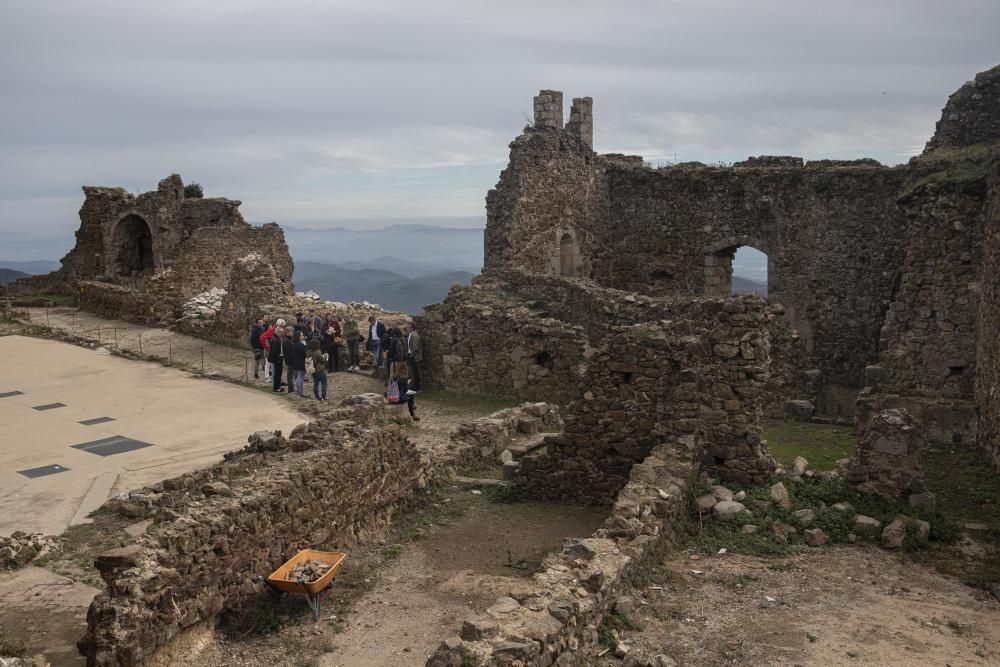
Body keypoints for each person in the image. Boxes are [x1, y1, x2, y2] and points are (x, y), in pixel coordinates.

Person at [268, 326, 287, 392]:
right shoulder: (275, 339)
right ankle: (276, 388)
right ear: (278, 332)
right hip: (277, 358)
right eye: (281, 332)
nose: (282, 334)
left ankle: (278, 386)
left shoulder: (277, 338)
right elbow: (274, 351)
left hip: (280, 357)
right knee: (277, 373)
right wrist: (278, 359)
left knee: (279, 373)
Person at [291, 330, 308, 397]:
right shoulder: (300, 345)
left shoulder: (294, 344)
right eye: (301, 335)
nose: (303, 336)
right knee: (300, 377)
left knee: (298, 377)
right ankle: (301, 392)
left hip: (296, 362)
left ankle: (299, 391)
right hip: (301, 362)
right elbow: (305, 353)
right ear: (298, 336)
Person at [405, 322, 422, 391]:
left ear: (412, 328)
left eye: (408, 327)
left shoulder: (415, 335)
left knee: (415, 372)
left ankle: (416, 386)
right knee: (412, 371)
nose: (407, 329)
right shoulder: (410, 334)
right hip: (411, 355)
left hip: (414, 356)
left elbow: (415, 348)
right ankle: (413, 385)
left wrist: (411, 356)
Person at [283, 326, 296, 391]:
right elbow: (288, 352)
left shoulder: (289, 339)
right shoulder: (287, 341)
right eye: (291, 331)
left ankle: (291, 387)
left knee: (291, 374)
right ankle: (290, 388)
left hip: (290, 359)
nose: (293, 333)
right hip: (290, 360)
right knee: (290, 374)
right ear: (287, 332)